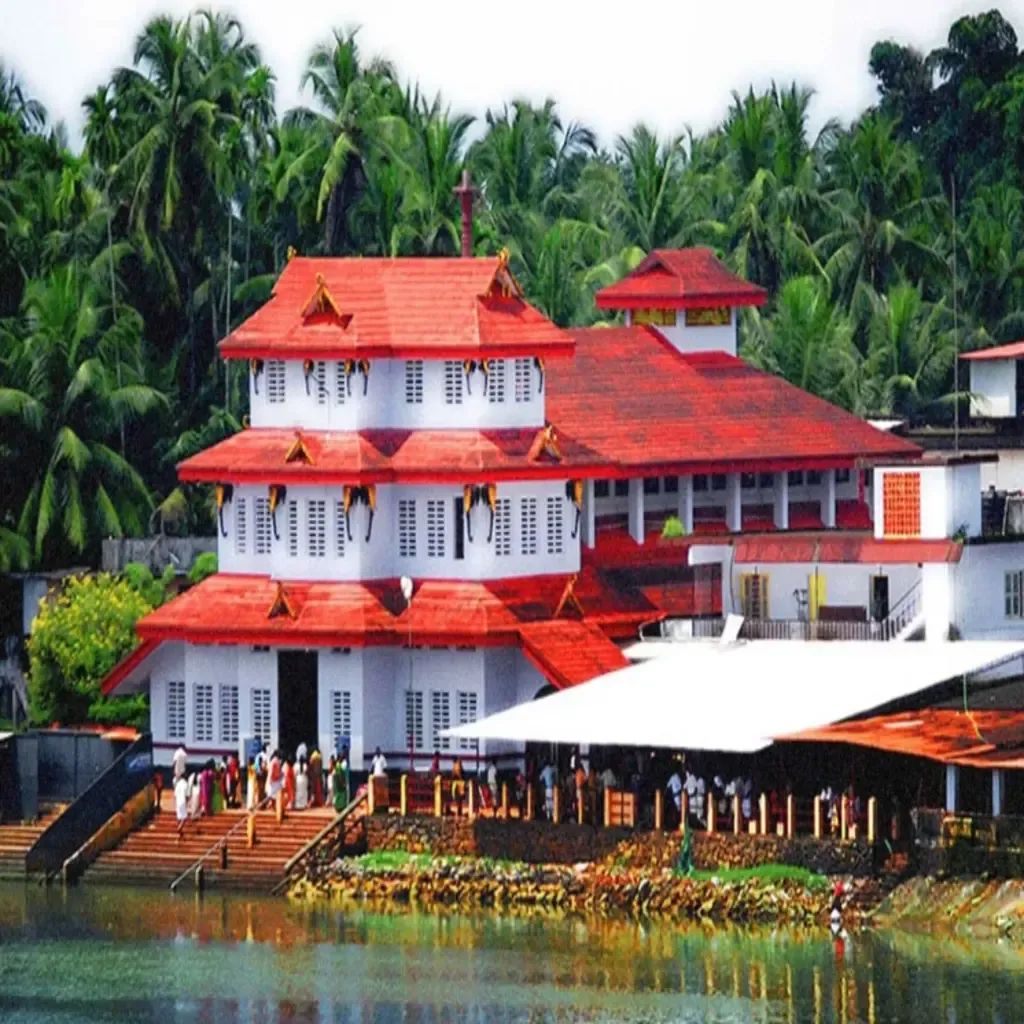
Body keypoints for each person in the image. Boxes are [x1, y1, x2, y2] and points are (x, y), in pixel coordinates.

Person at [175, 772, 189, 840]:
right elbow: (187, 795)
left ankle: (180, 835)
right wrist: (187, 802)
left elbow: (175, 794)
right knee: (184, 817)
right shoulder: (186, 784)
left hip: (178, 801)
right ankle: (179, 828)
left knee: (179, 817)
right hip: (183, 801)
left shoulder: (177, 784)